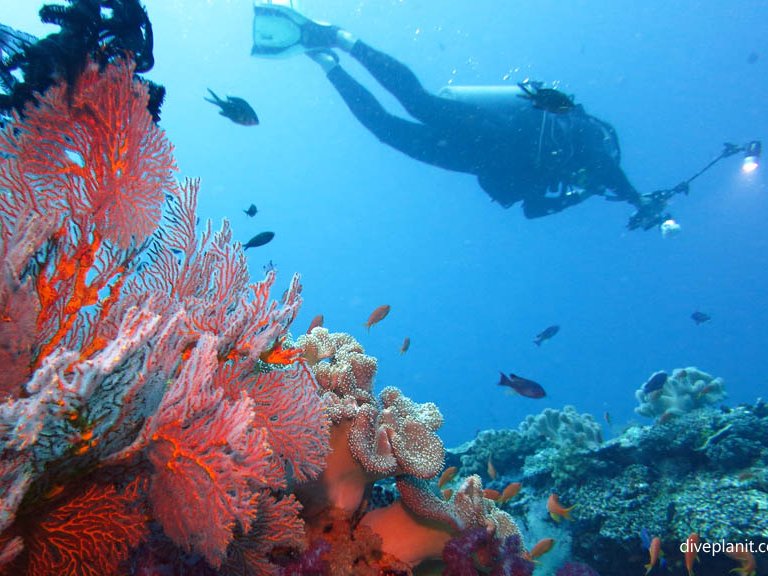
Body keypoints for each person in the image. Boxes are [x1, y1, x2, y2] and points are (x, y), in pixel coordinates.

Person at [251, 5, 668, 229]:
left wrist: (580, 196)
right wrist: (637, 198)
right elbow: (608, 167)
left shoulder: (577, 181)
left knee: (386, 131)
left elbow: (532, 211)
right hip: (492, 132)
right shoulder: (592, 141)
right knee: (417, 101)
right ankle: (341, 37)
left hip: (473, 162)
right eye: (584, 179)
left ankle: (326, 63)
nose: (582, 180)